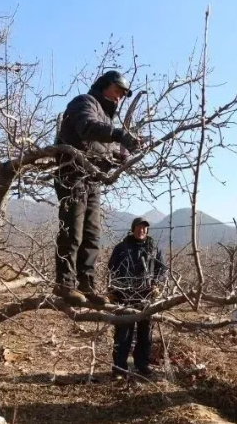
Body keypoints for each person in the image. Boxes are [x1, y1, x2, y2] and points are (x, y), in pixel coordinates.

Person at [53, 70, 141, 306]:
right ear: (103, 86)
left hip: (92, 181)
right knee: (72, 231)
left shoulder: (107, 120)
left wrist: (117, 158)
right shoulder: (84, 102)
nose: (119, 97)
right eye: (117, 91)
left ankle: (87, 285)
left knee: (92, 235)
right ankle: (64, 284)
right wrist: (119, 135)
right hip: (71, 175)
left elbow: (98, 151)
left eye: (122, 95)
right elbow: (87, 128)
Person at [108, 217, 166, 378]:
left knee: (145, 334)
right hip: (124, 296)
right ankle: (119, 369)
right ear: (133, 229)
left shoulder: (153, 248)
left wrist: (156, 284)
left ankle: (142, 365)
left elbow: (162, 269)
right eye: (139, 227)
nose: (142, 230)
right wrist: (112, 289)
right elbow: (112, 269)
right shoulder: (121, 248)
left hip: (146, 296)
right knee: (123, 334)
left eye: (144, 228)